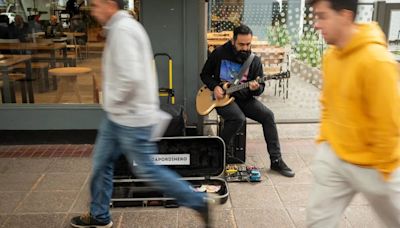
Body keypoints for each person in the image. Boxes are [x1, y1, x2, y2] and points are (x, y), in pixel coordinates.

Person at [69, 0, 212, 227]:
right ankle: (99, 216)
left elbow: (131, 77)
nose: (93, 11)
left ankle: (198, 201)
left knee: (146, 169)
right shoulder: (122, 27)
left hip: (130, 117)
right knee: (101, 163)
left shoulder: (123, 30)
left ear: (109, 4)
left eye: (96, 5)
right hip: (118, 115)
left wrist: (111, 99)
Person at [306, 0, 400, 227]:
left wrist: (386, 170)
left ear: (345, 16)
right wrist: (324, 142)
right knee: (317, 222)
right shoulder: (331, 56)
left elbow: (390, 124)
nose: (316, 25)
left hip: (376, 163)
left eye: (322, 16)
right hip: (334, 156)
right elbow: (328, 104)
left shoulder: (376, 60)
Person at [200, 24, 295, 178]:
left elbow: (260, 87)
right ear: (233, 41)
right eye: (241, 44)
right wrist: (215, 86)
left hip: (244, 98)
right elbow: (204, 74)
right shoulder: (219, 53)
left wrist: (255, 88)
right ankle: (218, 155)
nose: (245, 48)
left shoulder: (254, 60)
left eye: (248, 44)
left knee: (268, 116)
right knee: (238, 118)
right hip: (222, 98)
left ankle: (276, 160)